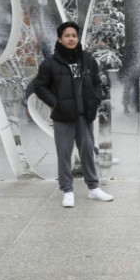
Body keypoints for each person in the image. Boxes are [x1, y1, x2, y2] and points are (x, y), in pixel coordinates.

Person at [31, 21, 114, 207]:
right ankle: (67, 190)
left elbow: (97, 84)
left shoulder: (88, 60)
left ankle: (93, 188)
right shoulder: (50, 63)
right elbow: (39, 87)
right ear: (60, 39)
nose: (71, 39)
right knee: (64, 153)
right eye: (67, 36)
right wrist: (55, 103)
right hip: (63, 117)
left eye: (74, 36)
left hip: (84, 116)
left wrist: (95, 100)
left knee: (87, 152)